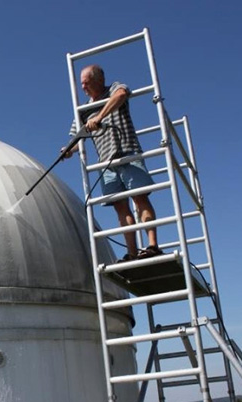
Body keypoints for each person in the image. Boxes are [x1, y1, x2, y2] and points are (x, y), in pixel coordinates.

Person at [62, 64, 162, 262]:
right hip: (106, 163)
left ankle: (152, 245)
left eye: (87, 83)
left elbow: (122, 94)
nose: (83, 87)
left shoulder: (113, 89)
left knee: (139, 198)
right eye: (81, 84)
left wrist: (99, 117)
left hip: (127, 152)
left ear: (99, 80)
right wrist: (68, 150)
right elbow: (76, 138)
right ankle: (132, 253)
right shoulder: (83, 110)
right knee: (120, 207)